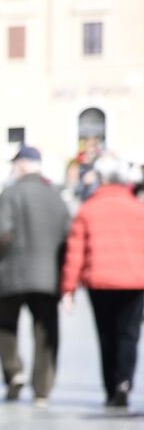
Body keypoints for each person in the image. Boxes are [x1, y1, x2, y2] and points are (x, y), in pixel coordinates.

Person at [0, 146, 72, 404]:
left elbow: (2, 233)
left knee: (4, 324)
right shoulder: (55, 195)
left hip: (13, 273)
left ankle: (14, 372)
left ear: (23, 164)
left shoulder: (11, 193)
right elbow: (68, 234)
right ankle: (42, 388)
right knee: (46, 330)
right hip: (47, 275)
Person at [61, 155, 144, 408]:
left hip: (100, 282)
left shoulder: (88, 209)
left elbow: (75, 251)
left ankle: (110, 387)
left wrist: (68, 288)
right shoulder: (138, 209)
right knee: (129, 335)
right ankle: (124, 382)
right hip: (135, 281)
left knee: (105, 334)